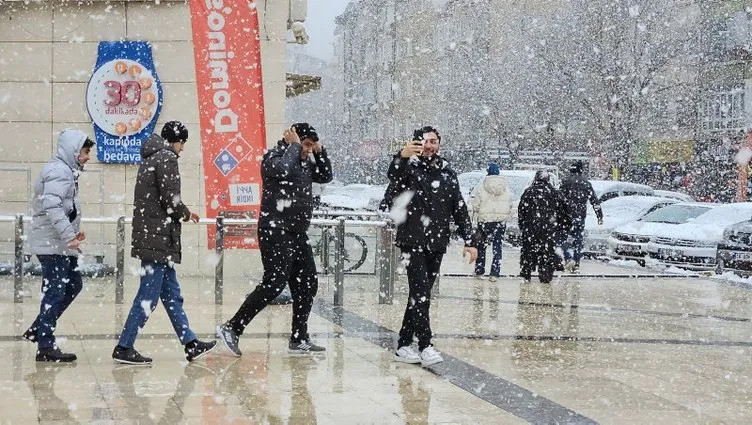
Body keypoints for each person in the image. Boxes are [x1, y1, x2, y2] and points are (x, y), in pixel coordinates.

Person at [216, 123, 333, 356]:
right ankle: (232, 327)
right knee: (274, 282)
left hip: (297, 232)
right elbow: (280, 171)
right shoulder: (274, 156)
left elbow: (326, 176)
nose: (307, 150)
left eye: (311, 146)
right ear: (292, 140)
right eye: (305, 145)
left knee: (308, 282)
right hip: (274, 229)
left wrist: (321, 153)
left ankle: (299, 337)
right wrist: (293, 146)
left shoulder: (304, 162)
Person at [113, 121, 216, 365]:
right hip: (157, 240)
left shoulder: (150, 158)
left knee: (171, 295)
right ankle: (124, 346)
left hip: (154, 238)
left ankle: (190, 343)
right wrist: (183, 213)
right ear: (176, 141)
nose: (182, 149)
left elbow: (162, 199)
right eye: (183, 143)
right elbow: (170, 200)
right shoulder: (166, 158)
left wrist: (184, 212)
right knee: (148, 295)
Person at [382, 126, 478, 367]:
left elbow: (459, 208)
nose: (429, 146)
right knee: (422, 292)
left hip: (436, 243)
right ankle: (425, 344)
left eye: (433, 141)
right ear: (415, 144)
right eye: (424, 142)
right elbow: (392, 182)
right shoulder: (407, 168)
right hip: (411, 241)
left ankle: (404, 344)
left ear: (439, 144)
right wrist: (401, 157)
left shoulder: (447, 172)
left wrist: (470, 240)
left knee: (419, 294)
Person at [22, 129, 94, 362]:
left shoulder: (65, 172)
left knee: (72, 284)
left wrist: (73, 232)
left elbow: (64, 209)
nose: (87, 157)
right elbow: (51, 206)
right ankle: (45, 345)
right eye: (85, 152)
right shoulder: (59, 172)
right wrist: (67, 236)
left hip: (59, 244)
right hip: (52, 245)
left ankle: (39, 328)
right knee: (56, 290)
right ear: (73, 151)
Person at [518, 171, 571, 284]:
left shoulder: (529, 192)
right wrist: (562, 226)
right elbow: (564, 212)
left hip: (531, 228)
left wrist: (523, 225)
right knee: (547, 252)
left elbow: (521, 210)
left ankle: (526, 273)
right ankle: (545, 275)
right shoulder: (555, 193)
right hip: (549, 229)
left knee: (528, 251)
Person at [470, 163, 513, 282]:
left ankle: (480, 271)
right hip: (500, 221)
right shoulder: (505, 188)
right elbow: (510, 204)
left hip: (484, 221)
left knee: (481, 246)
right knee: (497, 247)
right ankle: (495, 273)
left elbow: (476, 205)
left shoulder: (482, 187)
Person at [559, 160, 603, 272]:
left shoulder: (565, 182)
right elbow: (594, 201)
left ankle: (567, 257)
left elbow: (559, 199)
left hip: (566, 215)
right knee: (578, 238)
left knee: (562, 237)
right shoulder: (586, 183)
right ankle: (576, 260)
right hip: (580, 215)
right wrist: (599, 216)